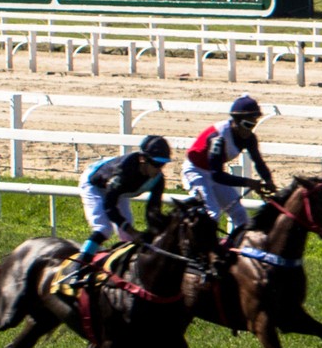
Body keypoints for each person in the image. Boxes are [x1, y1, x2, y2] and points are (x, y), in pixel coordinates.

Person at [69, 135, 172, 287]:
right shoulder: (123, 171)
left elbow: (153, 212)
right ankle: (77, 269)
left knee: (127, 237)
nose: (159, 169)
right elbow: (109, 206)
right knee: (104, 228)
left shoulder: (158, 179)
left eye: (162, 165)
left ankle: (125, 272)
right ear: (143, 159)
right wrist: (131, 230)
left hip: (119, 191)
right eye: (156, 164)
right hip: (94, 185)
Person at [183, 96, 276, 237]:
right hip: (196, 171)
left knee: (240, 213)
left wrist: (268, 181)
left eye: (254, 124)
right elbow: (217, 175)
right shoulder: (218, 138)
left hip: (213, 173)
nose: (251, 130)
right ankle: (201, 251)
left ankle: (236, 250)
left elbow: (258, 161)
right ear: (236, 122)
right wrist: (248, 182)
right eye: (248, 125)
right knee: (212, 213)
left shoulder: (249, 138)